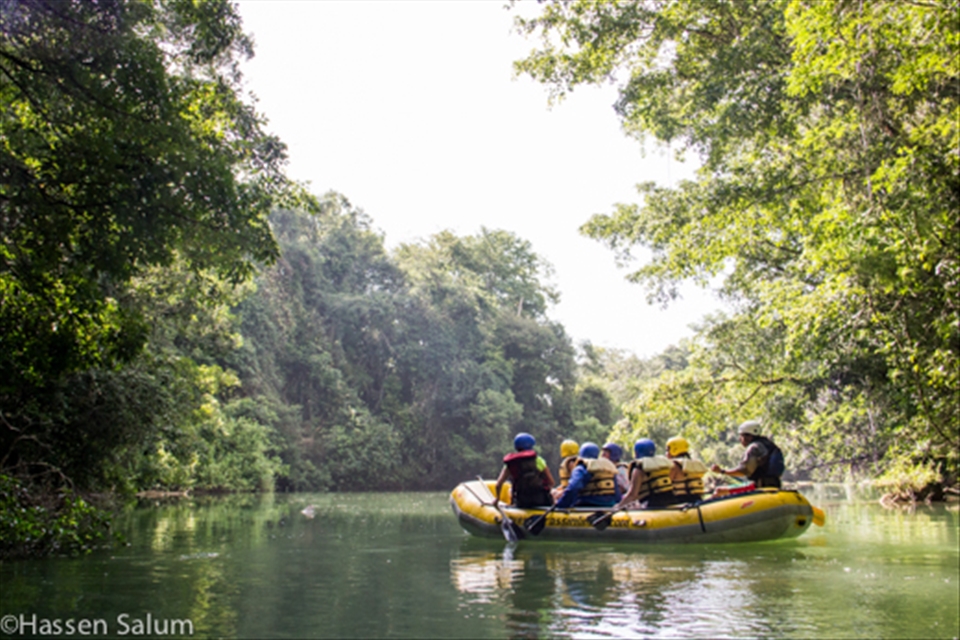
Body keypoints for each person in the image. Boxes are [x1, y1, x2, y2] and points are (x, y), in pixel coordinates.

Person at [711, 420, 784, 488]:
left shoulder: (753, 448)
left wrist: (722, 471)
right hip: (776, 484)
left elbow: (743, 471)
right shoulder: (768, 444)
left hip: (760, 485)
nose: (740, 439)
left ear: (748, 436)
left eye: (741, 436)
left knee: (719, 491)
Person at [495, 432, 555, 508]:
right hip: (541, 501)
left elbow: (498, 484)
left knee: (510, 490)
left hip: (522, 502)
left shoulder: (511, 464)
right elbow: (551, 482)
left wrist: (497, 499)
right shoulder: (538, 460)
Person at [554, 442, 621, 509]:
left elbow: (574, 487)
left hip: (588, 505)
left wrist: (561, 504)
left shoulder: (581, 467)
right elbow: (617, 493)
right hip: (609, 506)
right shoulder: (607, 468)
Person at [615, 439, 674, 510]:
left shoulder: (639, 468)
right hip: (670, 502)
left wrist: (618, 507)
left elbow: (632, 495)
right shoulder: (663, 465)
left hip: (651, 505)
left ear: (636, 452)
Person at [665, 436, 708, 503]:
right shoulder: (694, 463)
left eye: (667, 450)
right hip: (697, 499)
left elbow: (666, 485)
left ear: (674, 449)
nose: (666, 453)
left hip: (680, 501)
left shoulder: (674, 465)